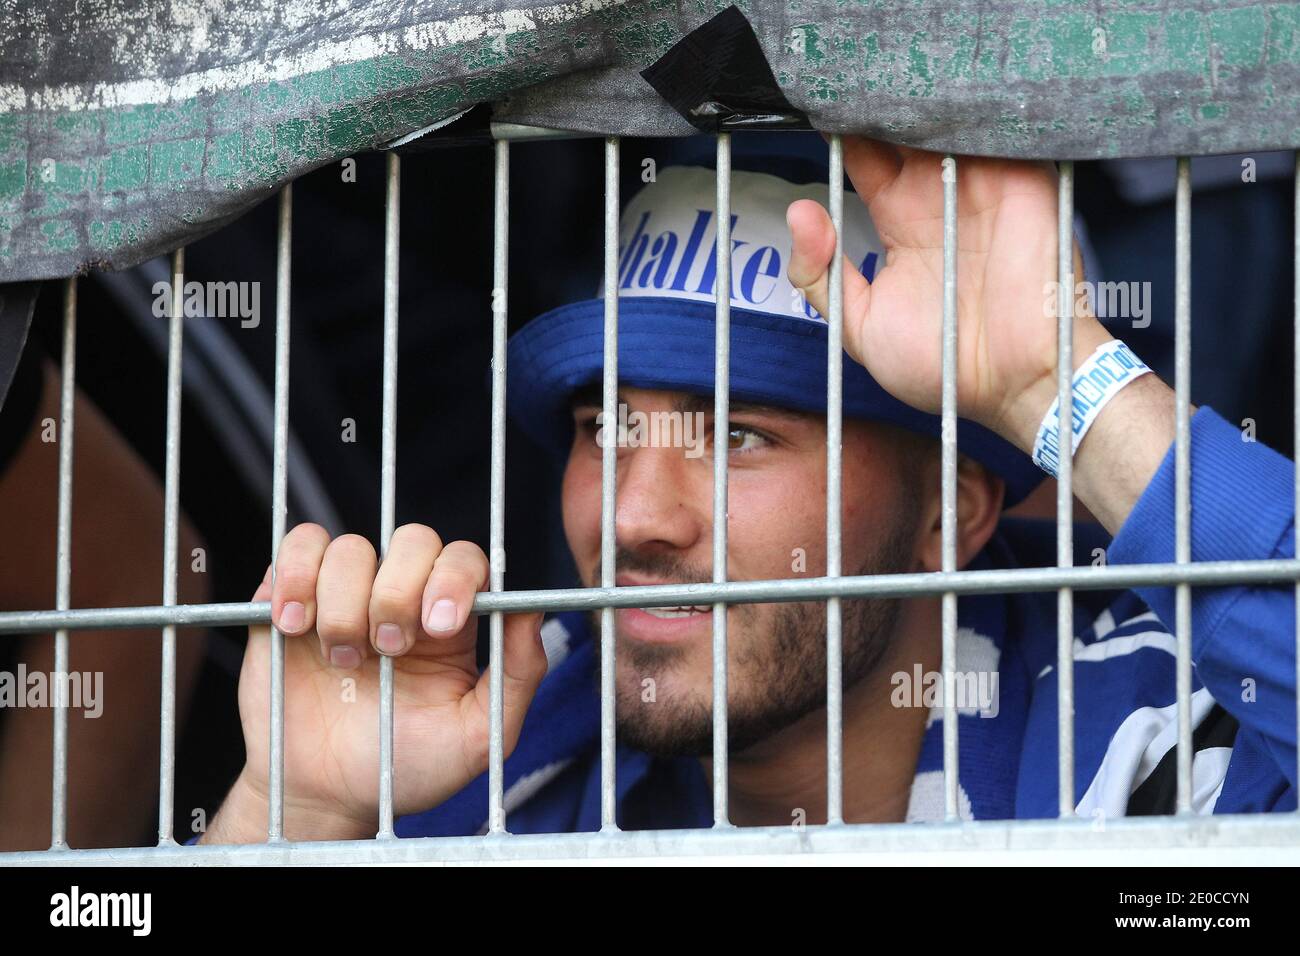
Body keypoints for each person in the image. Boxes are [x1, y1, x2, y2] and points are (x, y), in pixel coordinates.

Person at [199, 135, 1296, 843]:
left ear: (946, 514)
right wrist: (289, 813)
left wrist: (1054, 376)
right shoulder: (501, 764)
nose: (633, 515)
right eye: (606, 427)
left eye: (738, 435)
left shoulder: (1142, 746)